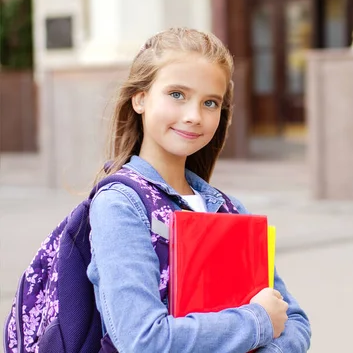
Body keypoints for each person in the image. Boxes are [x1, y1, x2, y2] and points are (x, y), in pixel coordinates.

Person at [87, 27, 311, 352]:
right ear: (140, 98)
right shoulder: (121, 205)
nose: (194, 116)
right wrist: (257, 321)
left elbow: (295, 321)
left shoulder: (228, 208)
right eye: (177, 94)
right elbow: (144, 341)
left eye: (210, 102)